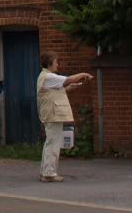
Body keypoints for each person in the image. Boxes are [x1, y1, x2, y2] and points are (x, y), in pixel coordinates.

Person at [36, 51, 92, 182]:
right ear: (49, 63)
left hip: (51, 113)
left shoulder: (45, 76)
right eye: (56, 62)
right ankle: (49, 173)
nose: (57, 64)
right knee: (53, 143)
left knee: (50, 142)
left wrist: (68, 89)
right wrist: (83, 74)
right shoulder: (49, 77)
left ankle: (45, 171)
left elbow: (52, 92)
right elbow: (68, 79)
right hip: (53, 114)